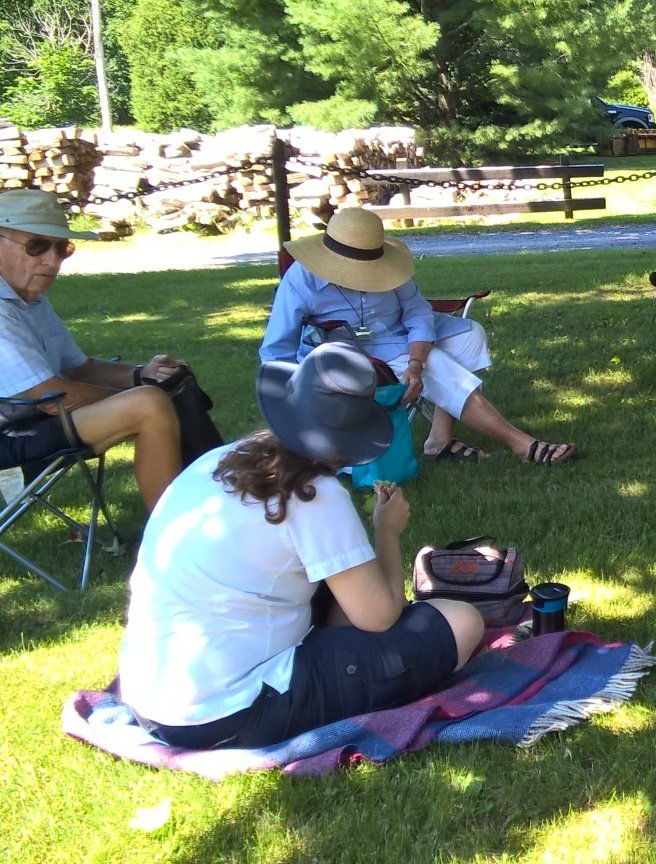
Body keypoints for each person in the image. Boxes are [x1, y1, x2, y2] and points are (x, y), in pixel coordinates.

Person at [117, 344, 485, 749]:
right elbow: (379, 617)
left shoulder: (217, 461)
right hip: (224, 712)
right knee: (461, 621)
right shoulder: (315, 494)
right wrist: (387, 531)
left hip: (150, 692)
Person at [262, 207, 574, 464]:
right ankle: (521, 444)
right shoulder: (300, 281)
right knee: (438, 365)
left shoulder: (387, 266)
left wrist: (415, 362)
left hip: (400, 334)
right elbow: (277, 349)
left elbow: (418, 312)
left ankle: (440, 439)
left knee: (470, 335)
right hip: (352, 353)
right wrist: (292, 399)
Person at [0, 189, 184, 508]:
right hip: (13, 434)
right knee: (149, 405)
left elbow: (80, 368)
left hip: (31, 422)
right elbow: (50, 397)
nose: (53, 261)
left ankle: (213, 497)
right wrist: (141, 395)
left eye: (63, 248)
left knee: (168, 387)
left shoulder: (29, 299)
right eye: (37, 246)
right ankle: (173, 528)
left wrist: (143, 375)